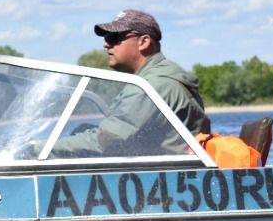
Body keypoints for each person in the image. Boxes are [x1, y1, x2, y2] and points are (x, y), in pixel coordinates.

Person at [48, 9, 210, 158]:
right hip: (167, 176)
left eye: (114, 38)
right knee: (82, 129)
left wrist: (40, 149)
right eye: (106, 38)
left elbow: (104, 141)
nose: (106, 44)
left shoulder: (153, 84)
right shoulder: (156, 76)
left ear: (143, 42)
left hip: (167, 180)